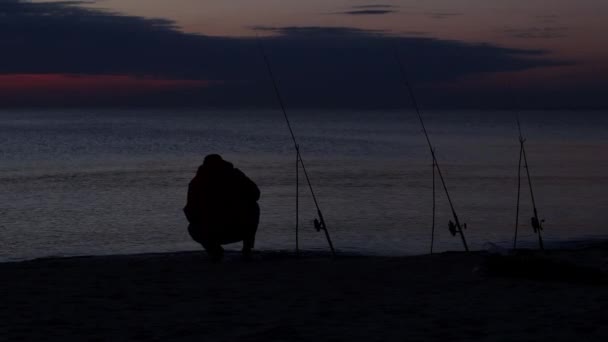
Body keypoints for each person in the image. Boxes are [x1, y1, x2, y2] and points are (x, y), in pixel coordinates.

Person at [184, 154, 260, 261]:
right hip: (240, 227)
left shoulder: (197, 182)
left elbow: (190, 211)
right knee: (253, 206)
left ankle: (214, 249)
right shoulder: (236, 175)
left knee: (192, 227)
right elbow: (255, 194)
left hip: (213, 230)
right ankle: (247, 247)